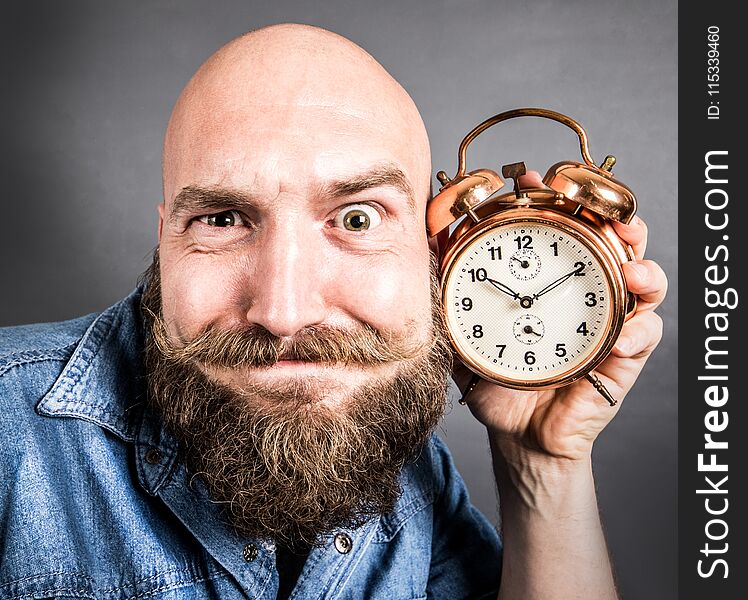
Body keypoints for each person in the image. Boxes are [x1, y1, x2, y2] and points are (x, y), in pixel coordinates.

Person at [0, 23, 666, 600]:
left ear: (434, 259)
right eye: (224, 219)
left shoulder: (401, 464)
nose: (284, 314)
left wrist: (539, 463)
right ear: (167, 237)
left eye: (356, 217)